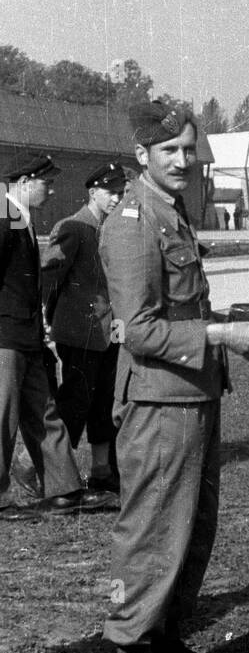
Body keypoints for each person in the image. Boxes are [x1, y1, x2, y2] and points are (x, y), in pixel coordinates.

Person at [99, 101, 249, 653]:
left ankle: (167, 639)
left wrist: (225, 324)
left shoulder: (172, 214)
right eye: (168, 150)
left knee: (193, 527)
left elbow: (181, 311)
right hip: (156, 401)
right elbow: (139, 330)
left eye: (188, 148)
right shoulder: (131, 221)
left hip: (193, 393)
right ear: (141, 155)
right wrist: (222, 336)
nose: (182, 160)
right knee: (153, 527)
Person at [0, 154, 112, 521]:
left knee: (45, 413)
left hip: (26, 337)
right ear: (24, 181)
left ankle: (64, 491)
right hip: (6, 338)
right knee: (3, 416)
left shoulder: (17, 215)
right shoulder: (3, 214)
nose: (51, 190)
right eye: (46, 183)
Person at [41, 162, 127, 495]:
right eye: (111, 193)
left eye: (120, 192)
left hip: (109, 335)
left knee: (105, 403)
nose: (117, 199)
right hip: (80, 333)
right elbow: (50, 278)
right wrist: (46, 321)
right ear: (93, 193)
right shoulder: (74, 227)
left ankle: (103, 471)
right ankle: (34, 466)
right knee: (76, 403)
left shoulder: (113, 228)